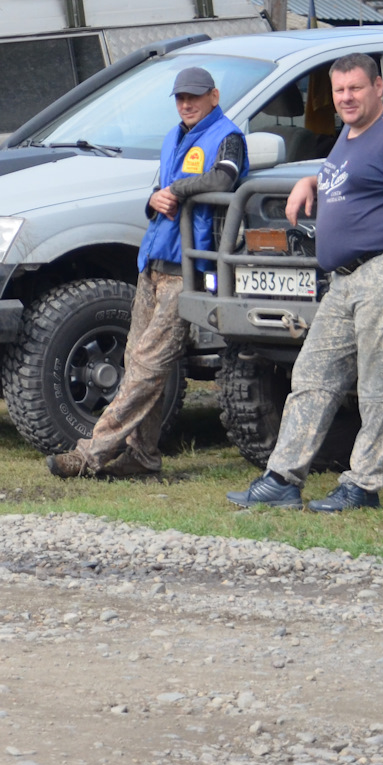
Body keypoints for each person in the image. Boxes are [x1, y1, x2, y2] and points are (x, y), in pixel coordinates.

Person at [228, 53, 383, 513]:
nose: (346, 97)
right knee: (312, 375)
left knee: (379, 381)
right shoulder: (350, 133)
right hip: (344, 279)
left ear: (378, 87)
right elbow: (352, 180)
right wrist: (310, 181)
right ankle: (282, 479)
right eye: (339, 90)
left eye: (355, 88)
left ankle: (363, 485)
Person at [48, 66, 246, 480]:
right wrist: (155, 199)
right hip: (153, 263)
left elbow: (225, 180)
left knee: (146, 366)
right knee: (141, 362)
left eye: (194, 96)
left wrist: (177, 191)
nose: (186, 104)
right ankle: (143, 456)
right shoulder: (174, 136)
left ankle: (90, 455)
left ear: (214, 95)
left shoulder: (228, 135)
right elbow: (162, 192)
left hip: (189, 270)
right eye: (180, 97)